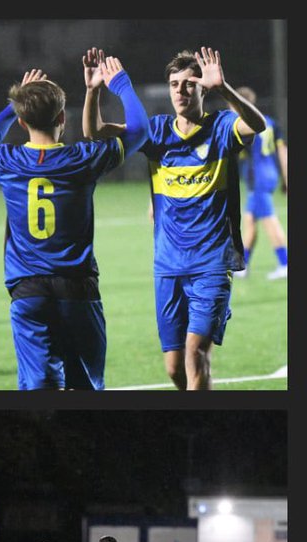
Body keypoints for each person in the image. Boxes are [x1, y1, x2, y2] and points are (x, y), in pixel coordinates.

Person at [84, 47, 266, 390]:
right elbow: (95, 133)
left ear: (202, 89)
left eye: (188, 84)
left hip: (211, 263)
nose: (180, 91)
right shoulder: (156, 132)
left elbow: (256, 125)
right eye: (174, 84)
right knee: (174, 369)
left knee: (195, 354)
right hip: (167, 264)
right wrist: (93, 90)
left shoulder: (222, 128)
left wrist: (224, 88)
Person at [0, 55, 147, 389]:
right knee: (86, 386)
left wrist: (16, 103)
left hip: (28, 290)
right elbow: (139, 130)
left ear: (23, 122)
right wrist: (120, 83)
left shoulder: (5, 160)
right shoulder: (83, 159)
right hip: (77, 286)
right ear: (62, 119)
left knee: (39, 386)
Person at [234, 87, 287, 280]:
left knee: (269, 220)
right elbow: (282, 150)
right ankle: (243, 266)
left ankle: (285, 263)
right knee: (249, 220)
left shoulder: (246, 125)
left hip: (257, 177)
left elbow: (238, 152)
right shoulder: (270, 122)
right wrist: (286, 177)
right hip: (269, 174)